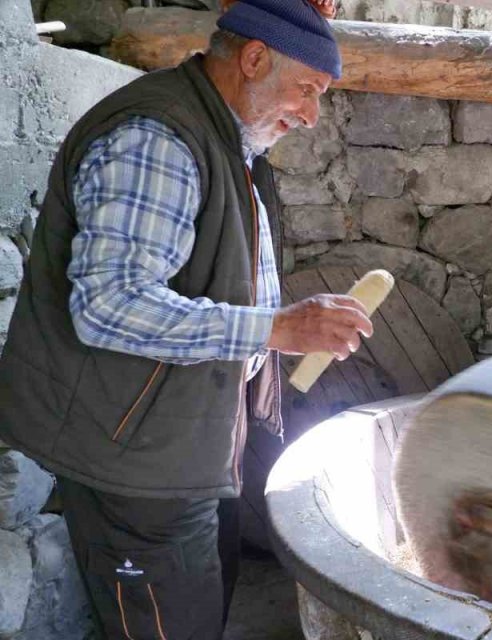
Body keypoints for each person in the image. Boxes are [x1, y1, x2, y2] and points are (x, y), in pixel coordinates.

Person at [0, 0, 374, 637]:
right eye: (308, 89)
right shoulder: (158, 137)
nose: (312, 116)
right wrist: (275, 328)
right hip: (133, 460)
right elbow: (110, 304)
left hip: (179, 442)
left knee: (198, 609)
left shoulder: (225, 135)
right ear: (253, 59)